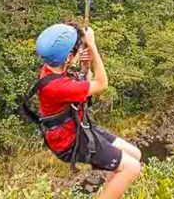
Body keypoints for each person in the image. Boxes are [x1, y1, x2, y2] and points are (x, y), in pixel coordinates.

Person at [31, 23, 142, 199]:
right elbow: (101, 84)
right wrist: (93, 46)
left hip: (80, 127)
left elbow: (82, 86)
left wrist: (85, 67)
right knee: (132, 168)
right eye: (76, 49)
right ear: (67, 57)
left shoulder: (51, 68)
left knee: (135, 154)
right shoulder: (56, 86)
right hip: (71, 142)